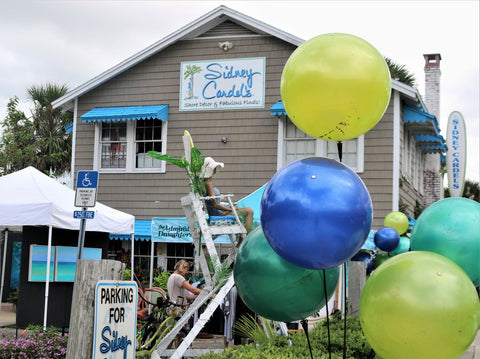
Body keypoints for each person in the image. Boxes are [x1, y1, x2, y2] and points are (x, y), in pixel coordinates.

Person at [201, 157, 254, 233]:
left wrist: (229, 206)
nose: (216, 169)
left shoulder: (206, 182)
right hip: (218, 216)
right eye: (214, 168)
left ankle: (240, 242)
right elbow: (215, 205)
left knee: (243, 213)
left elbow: (212, 203)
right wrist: (230, 209)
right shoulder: (208, 183)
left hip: (218, 213)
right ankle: (246, 239)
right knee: (249, 211)